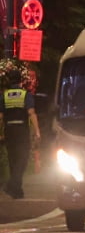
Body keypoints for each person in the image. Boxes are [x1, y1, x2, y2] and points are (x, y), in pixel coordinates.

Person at [2, 62, 40, 199]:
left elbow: (0, 116)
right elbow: (31, 113)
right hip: (21, 130)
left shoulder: (4, 96)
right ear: (20, 81)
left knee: (13, 159)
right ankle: (11, 184)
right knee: (22, 158)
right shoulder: (25, 95)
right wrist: (37, 131)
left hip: (9, 130)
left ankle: (16, 191)